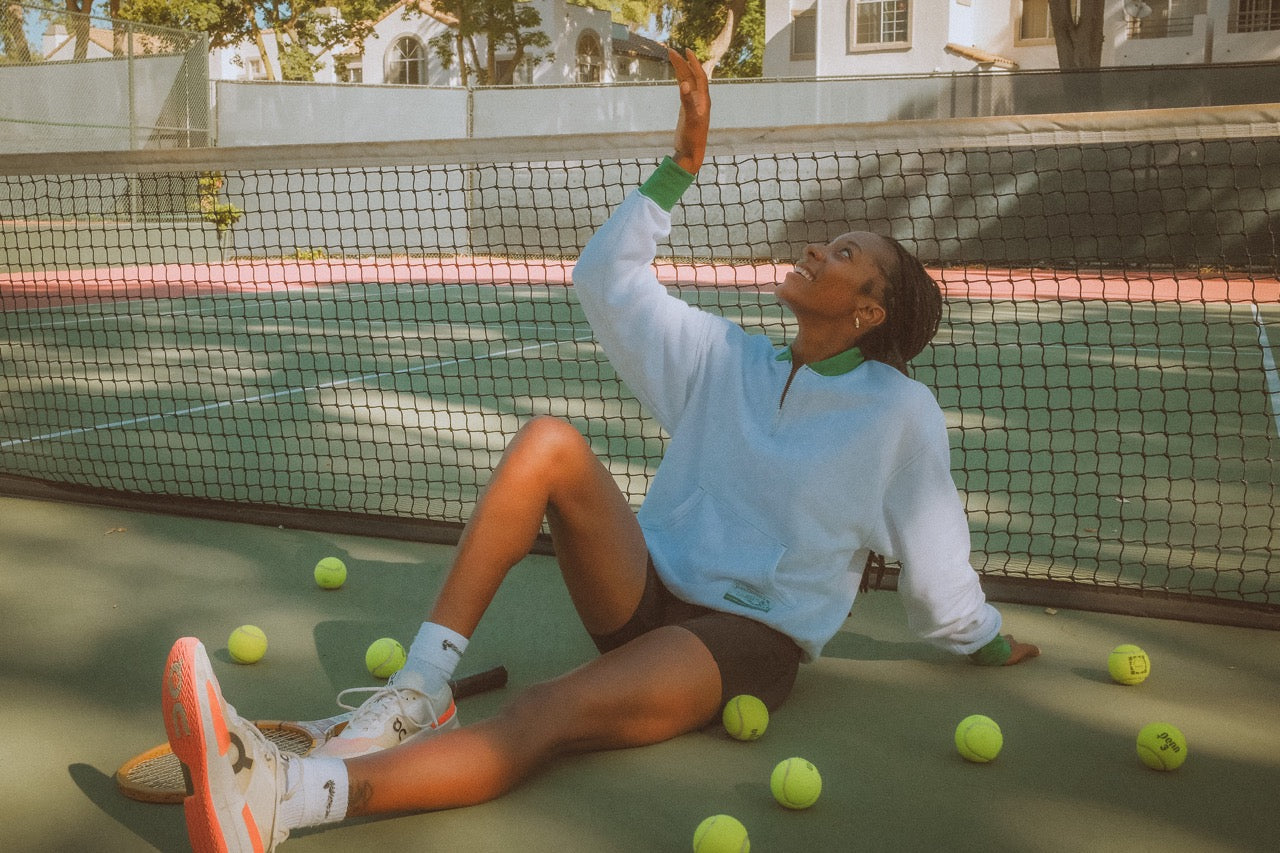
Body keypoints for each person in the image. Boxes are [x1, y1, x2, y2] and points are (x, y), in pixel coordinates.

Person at [160, 48, 1039, 853]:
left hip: (747, 638)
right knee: (549, 440)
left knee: (550, 708)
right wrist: (681, 164)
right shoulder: (726, 355)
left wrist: (987, 641)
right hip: (646, 592)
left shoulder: (901, 414)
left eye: (845, 254)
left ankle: (288, 797)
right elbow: (605, 278)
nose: (818, 247)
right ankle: (420, 689)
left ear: (869, 310)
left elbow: (935, 573)